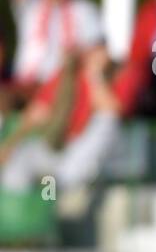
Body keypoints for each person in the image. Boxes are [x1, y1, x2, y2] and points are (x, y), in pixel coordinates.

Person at [0, 44, 134, 193]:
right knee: (19, 163)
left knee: (106, 123)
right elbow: (37, 113)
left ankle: (60, 192)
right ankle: (21, 209)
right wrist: (10, 145)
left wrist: (95, 75)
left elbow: (110, 112)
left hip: (97, 158)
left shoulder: (122, 73)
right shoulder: (69, 73)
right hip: (59, 148)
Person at [5, 0, 103, 110]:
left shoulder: (84, 10)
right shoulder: (31, 4)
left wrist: (78, 55)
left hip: (66, 87)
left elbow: (97, 51)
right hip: (27, 86)